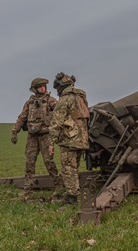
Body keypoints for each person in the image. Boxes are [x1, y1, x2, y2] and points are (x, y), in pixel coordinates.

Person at [11, 78, 63, 201]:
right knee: (29, 163)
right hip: (32, 137)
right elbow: (22, 117)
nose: (42, 88)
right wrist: (14, 131)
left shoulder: (51, 101)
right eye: (40, 87)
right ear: (34, 89)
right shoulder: (29, 103)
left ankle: (59, 186)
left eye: (44, 86)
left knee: (49, 162)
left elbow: (59, 114)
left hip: (46, 136)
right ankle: (27, 189)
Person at [48, 72, 90, 205]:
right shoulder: (81, 98)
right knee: (74, 167)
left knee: (68, 169)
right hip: (82, 139)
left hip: (69, 140)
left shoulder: (65, 99)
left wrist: (50, 142)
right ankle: (73, 192)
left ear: (60, 86)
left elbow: (56, 122)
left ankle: (72, 198)